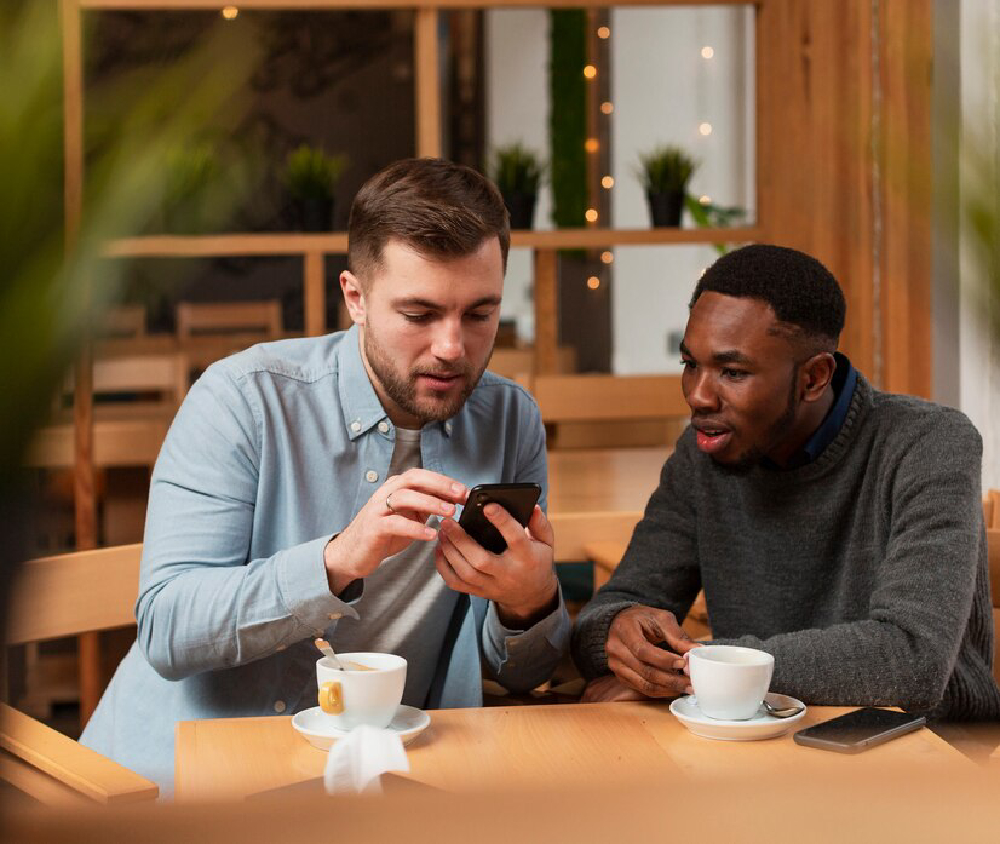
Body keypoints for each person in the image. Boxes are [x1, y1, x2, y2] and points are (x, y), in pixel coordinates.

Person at [82, 158, 570, 790]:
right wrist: (336, 562)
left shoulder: (510, 421)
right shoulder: (244, 400)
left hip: (378, 793)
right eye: (419, 315)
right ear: (355, 298)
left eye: (479, 315)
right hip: (176, 793)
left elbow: (521, 673)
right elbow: (169, 629)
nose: (453, 347)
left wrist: (529, 606)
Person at [572, 244, 1000, 721]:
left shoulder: (929, 443)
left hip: (936, 761)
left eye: (732, 372)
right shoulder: (702, 454)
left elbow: (911, 658)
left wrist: (701, 669)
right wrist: (621, 633)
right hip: (766, 748)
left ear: (814, 377)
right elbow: (608, 613)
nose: (697, 395)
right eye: (690, 363)